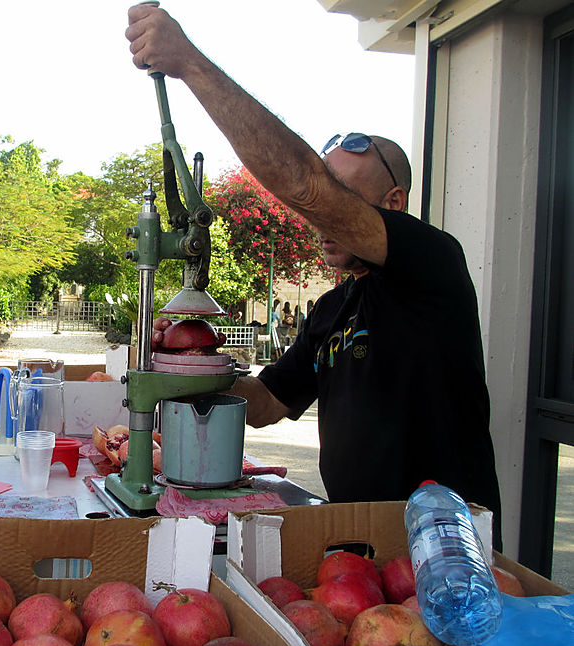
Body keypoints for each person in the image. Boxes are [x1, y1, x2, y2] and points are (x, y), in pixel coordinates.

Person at [128, 6, 503, 547]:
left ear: (392, 203)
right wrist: (181, 370)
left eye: (340, 200)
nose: (318, 218)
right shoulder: (334, 309)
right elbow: (266, 403)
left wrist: (188, 62)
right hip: (355, 549)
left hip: (445, 551)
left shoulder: (433, 263)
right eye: (326, 203)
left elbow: (304, 186)